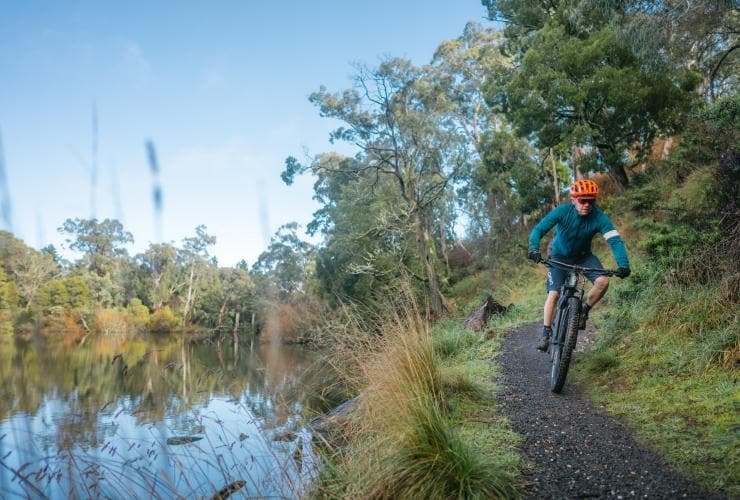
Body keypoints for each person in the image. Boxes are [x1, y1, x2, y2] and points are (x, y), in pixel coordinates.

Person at [527, 179, 631, 351]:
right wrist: (533, 248)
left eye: (591, 200)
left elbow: (615, 241)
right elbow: (538, 230)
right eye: (583, 200)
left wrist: (623, 264)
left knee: (603, 282)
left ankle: (584, 311)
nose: (587, 204)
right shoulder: (562, 212)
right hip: (559, 256)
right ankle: (546, 333)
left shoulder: (599, 217)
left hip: (583, 257)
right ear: (573, 199)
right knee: (553, 294)